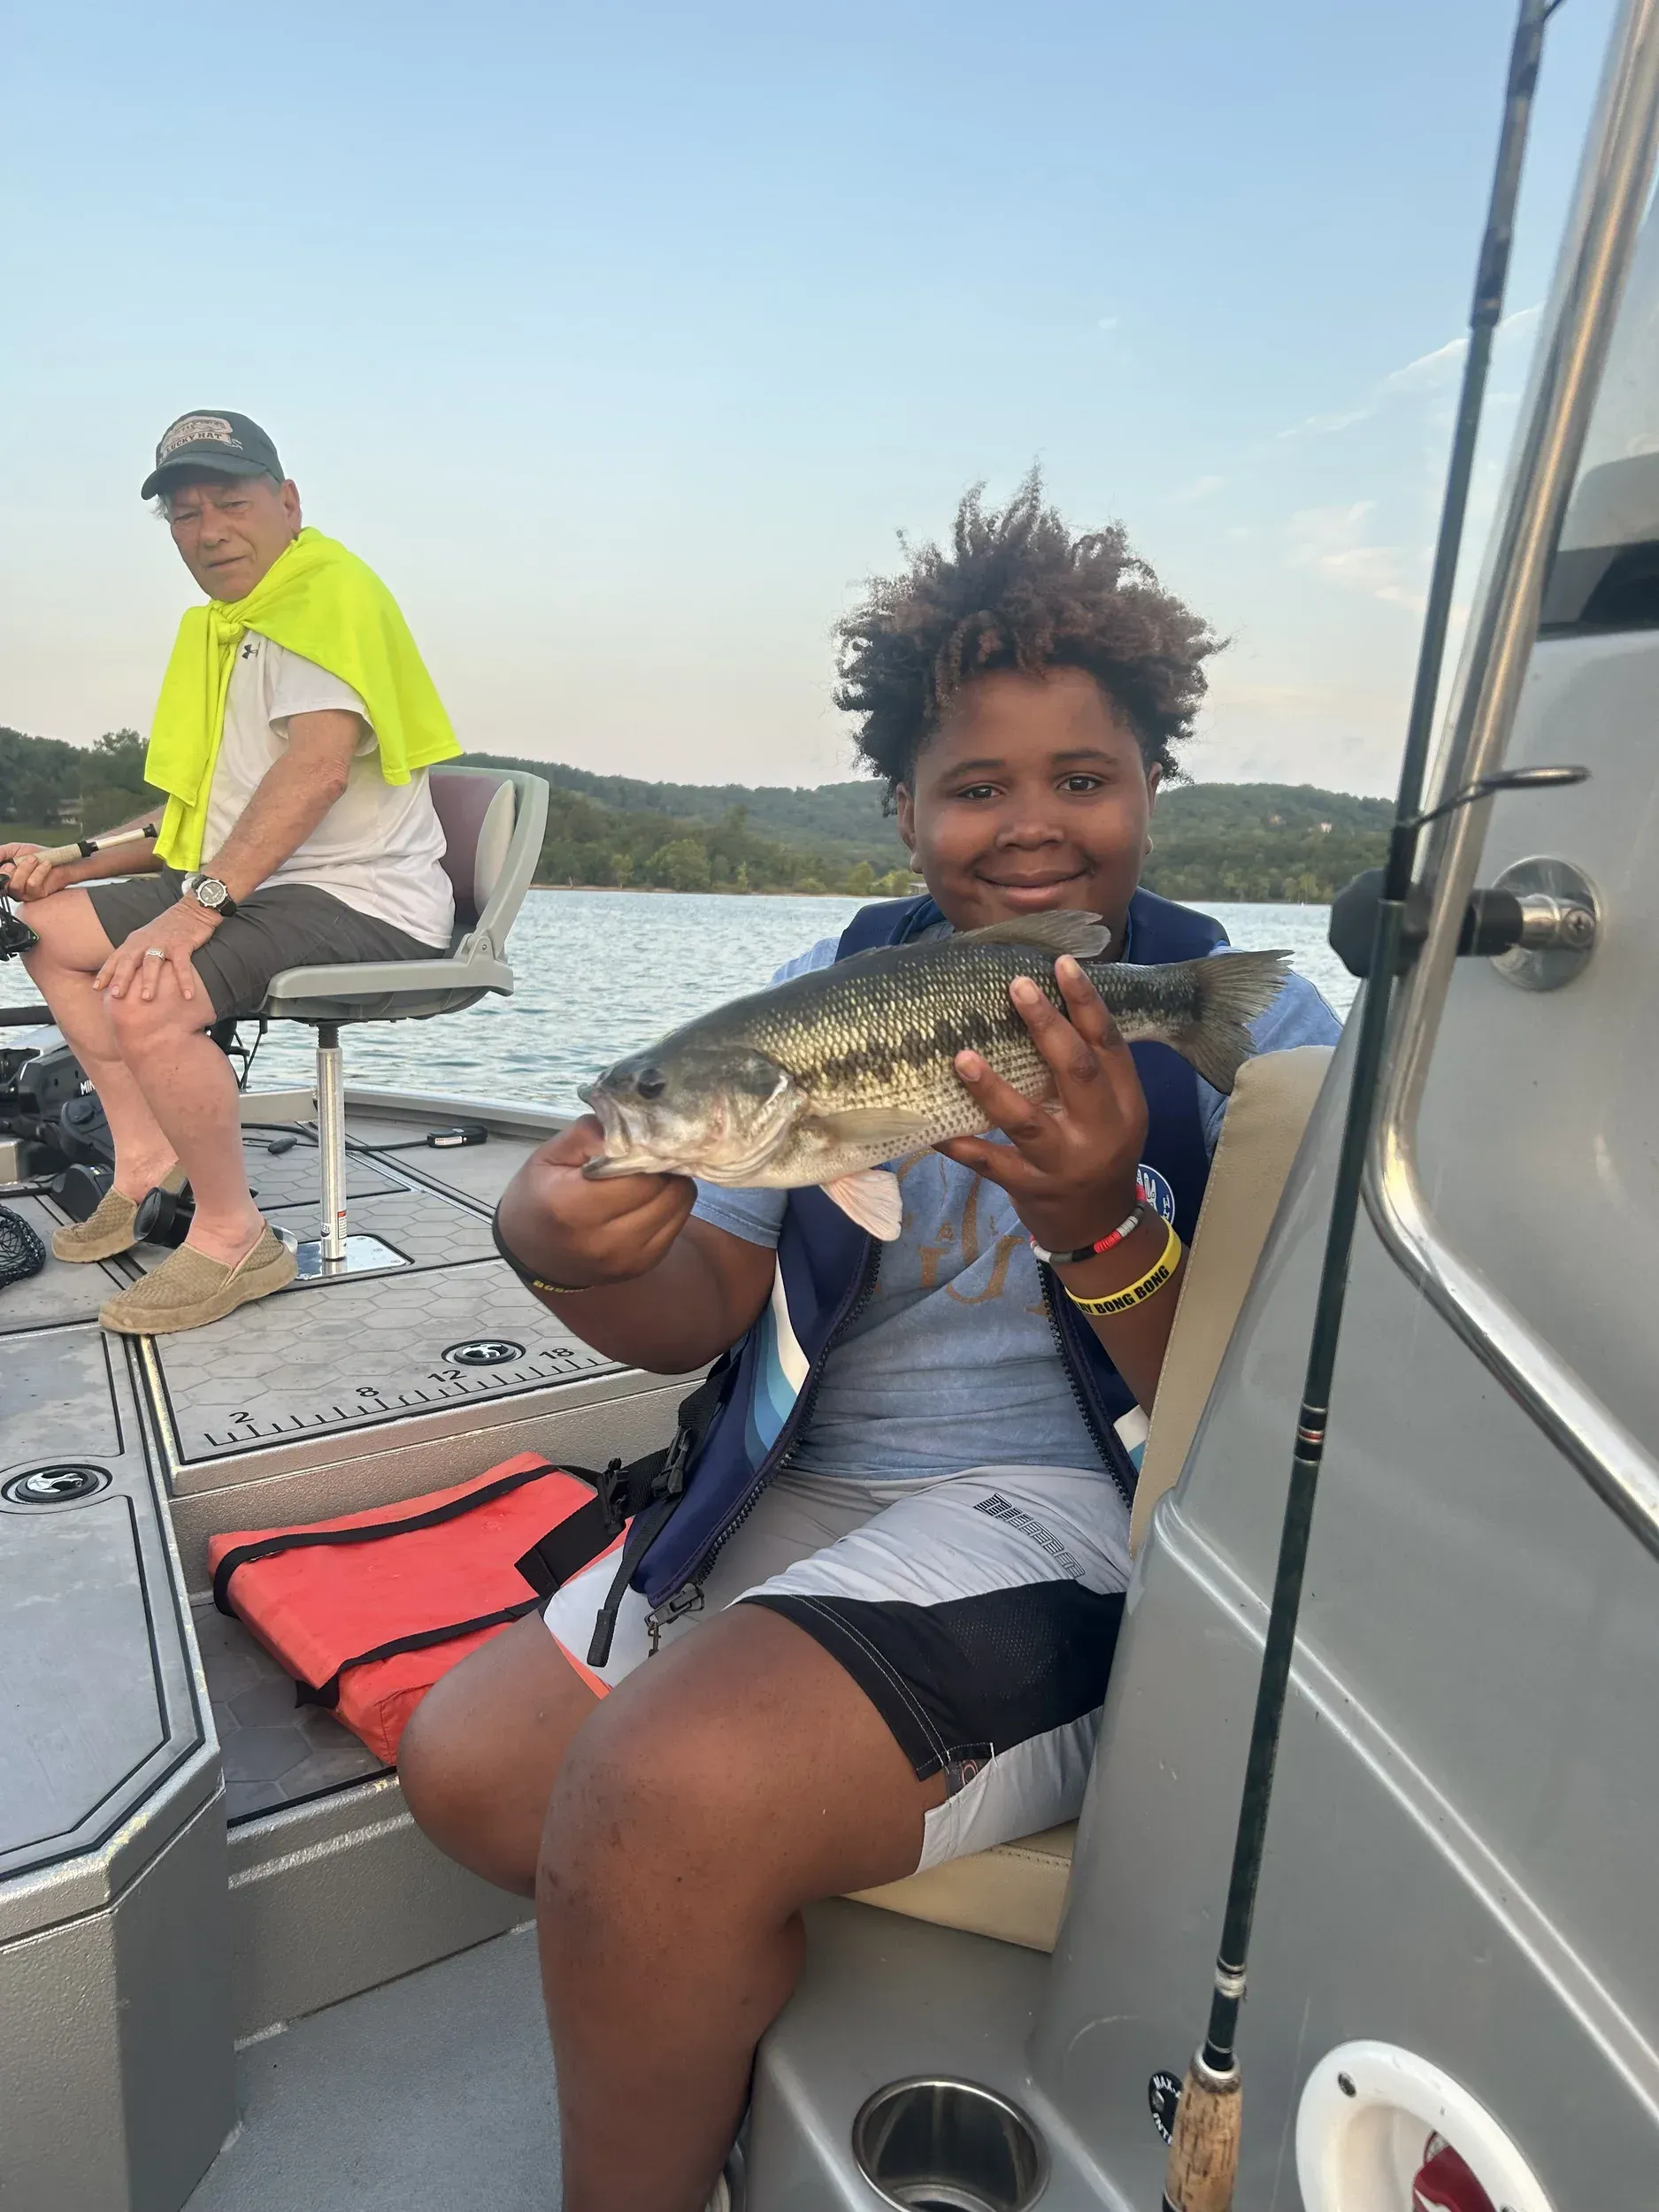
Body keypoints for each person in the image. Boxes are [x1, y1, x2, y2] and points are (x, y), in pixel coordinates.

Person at [397, 475, 1341, 2212]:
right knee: (468, 1771)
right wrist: (560, 1251)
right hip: (812, 1476)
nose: (1030, 824)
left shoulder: (1257, 1024)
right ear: (903, 809)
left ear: (1149, 790)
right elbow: (695, 1312)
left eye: (1083, 776)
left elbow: (1273, 1429)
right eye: (975, 784)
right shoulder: (830, 989)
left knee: (657, 1791)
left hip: (1084, 1508)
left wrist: (1101, 1227)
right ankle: (713, 1964)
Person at [0, 411, 461, 1333]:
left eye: (231, 502)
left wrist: (195, 910)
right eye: (182, 514)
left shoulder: (325, 595)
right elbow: (193, 821)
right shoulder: (226, 630)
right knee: (43, 928)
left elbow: (317, 769)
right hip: (271, 880)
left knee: (149, 989)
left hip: (365, 893)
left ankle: (232, 1234)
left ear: (288, 503)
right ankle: (142, 1157)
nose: (207, 530)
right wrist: (66, 859)